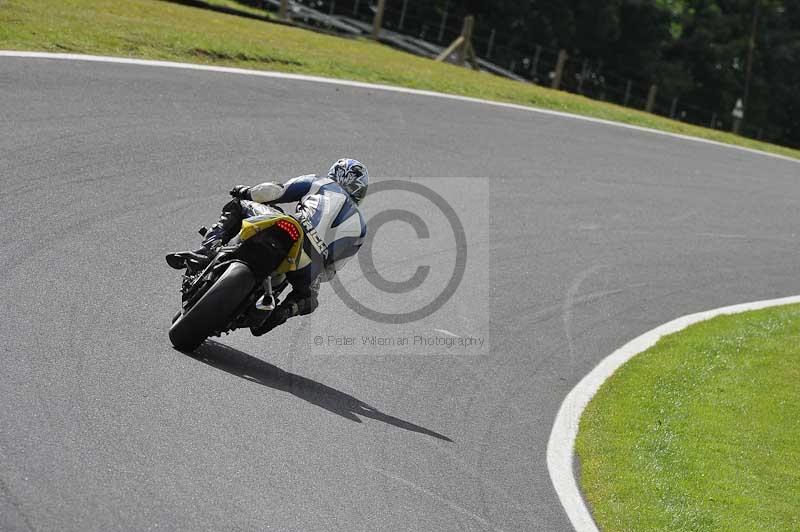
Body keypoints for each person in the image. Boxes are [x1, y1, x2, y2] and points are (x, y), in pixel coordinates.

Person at [167, 158, 368, 335]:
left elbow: (276, 191)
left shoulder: (322, 183)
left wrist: (246, 191)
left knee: (239, 204)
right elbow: (331, 271)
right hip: (311, 261)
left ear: (337, 173)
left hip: (293, 225)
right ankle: (282, 312)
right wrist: (313, 271)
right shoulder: (361, 229)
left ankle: (208, 248)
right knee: (309, 298)